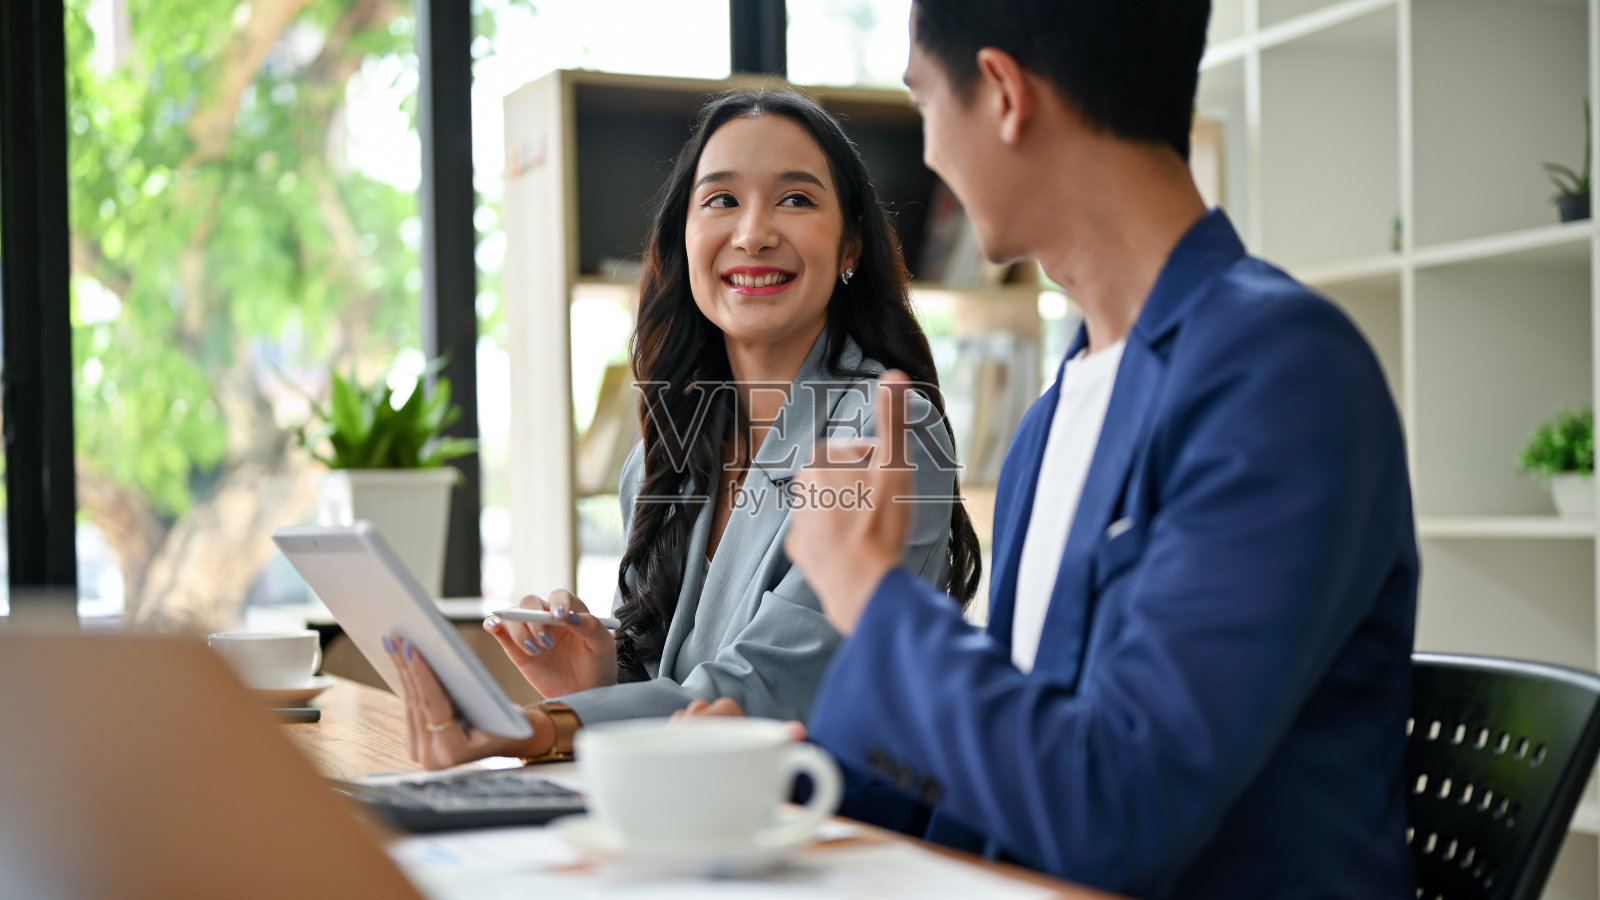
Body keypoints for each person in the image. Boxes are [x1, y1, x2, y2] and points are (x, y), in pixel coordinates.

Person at [779, 2, 1420, 897]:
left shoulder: (1282, 372)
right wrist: (783, 780)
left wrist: (866, 588)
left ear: (1004, 94)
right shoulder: (1053, 418)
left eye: (925, 104)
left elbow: (1118, 812)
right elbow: (1019, 773)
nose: (930, 154)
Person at [383, 89, 982, 771]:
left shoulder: (888, 434)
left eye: (795, 199)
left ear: (851, 243)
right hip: (689, 809)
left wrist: (542, 727)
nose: (752, 233)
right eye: (721, 199)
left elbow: (767, 690)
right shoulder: (662, 452)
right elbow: (672, 694)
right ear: (684, 238)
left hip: (831, 822)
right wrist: (603, 682)